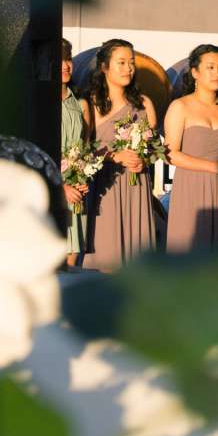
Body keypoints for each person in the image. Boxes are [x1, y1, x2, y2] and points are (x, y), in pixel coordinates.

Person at [84, 38, 161, 269]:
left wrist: (143, 159)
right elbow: (82, 151)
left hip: (137, 186)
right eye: (121, 62)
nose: (128, 68)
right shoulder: (93, 103)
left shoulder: (144, 104)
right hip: (105, 186)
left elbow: (154, 147)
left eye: (131, 62)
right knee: (107, 254)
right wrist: (114, 157)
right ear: (105, 67)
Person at [163, 44, 218, 256]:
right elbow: (169, 154)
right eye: (210, 67)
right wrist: (212, 166)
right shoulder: (180, 107)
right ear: (195, 72)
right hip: (191, 188)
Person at [57, 39, 90, 269]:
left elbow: (86, 146)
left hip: (75, 187)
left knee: (72, 255)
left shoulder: (80, 103)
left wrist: (84, 176)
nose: (65, 65)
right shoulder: (37, 101)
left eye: (68, 59)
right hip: (51, 186)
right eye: (59, 60)